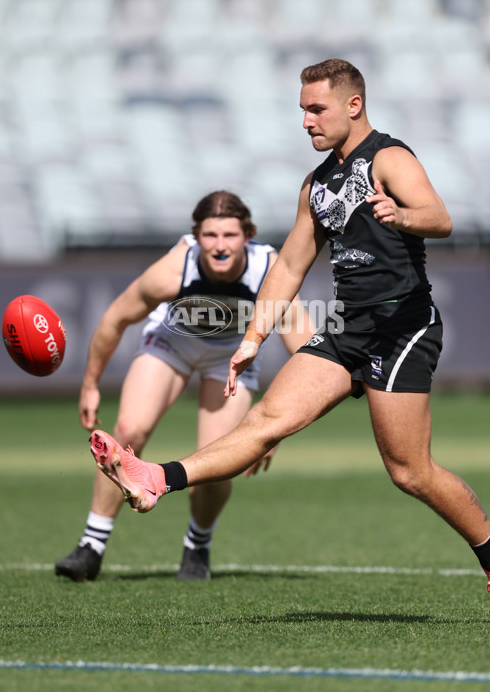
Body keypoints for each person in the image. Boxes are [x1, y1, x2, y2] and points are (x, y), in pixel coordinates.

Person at [87, 59, 490, 624]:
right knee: (265, 420)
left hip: (401, 326)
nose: (306, 121)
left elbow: (440, 217)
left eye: (316, 108)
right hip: (348, 326)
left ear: (353, 105)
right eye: (302, 109)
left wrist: (403, 213)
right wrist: (252, 338)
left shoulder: (390, 158)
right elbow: (292, 264)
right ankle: (156, 477)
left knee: (409, 471)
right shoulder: (316, 185)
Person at [55, 190, 315, 581]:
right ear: (196, 236)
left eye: (230, 235)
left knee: (216, 462)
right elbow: (114, 319)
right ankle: (92, 545)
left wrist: (276, 425)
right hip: (171, 343)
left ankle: (198, 544)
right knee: (129, 430)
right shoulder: (176, 268)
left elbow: (305, 353)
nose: (220, 245)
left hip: (231, 356)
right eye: (210, 235)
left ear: (249, 235)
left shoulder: (269, 269)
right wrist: (91, 383)